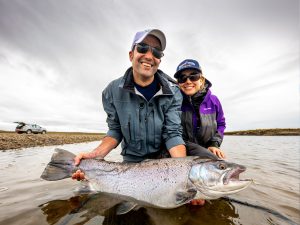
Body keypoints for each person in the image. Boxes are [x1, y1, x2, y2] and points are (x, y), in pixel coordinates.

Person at [72, 29, 186, 181]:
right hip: (131, 164)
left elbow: (173, 134)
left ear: (159, 60)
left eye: (157, 52)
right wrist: (94, 155)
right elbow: (115, 130)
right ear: (131, 55)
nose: (149, 56)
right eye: (143, 48)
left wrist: (184, 177)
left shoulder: (174, 92)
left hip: (163, 161)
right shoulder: (111, 91)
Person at [174, 59, 226, 160]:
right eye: (182, 78)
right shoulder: (173, 102)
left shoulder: (214, 101)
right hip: (182, 150)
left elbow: (221, 124)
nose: (188, 81)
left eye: (194, 76)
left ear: (201, 80)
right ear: (178, 83)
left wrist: (214, 144)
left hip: (208, 149)